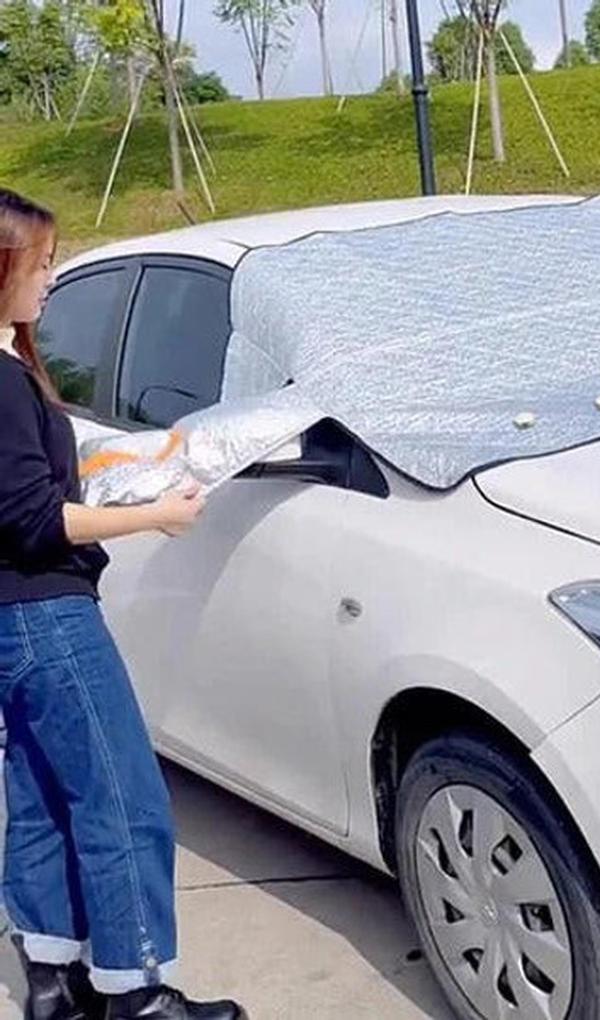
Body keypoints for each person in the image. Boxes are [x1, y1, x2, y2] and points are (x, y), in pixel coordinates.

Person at [0, 188, 246, 1020]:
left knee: (40, 798)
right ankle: (136, 992)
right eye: (40, 263)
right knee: (121, 799)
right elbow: (35, 520)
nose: (51, 277)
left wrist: (99, 479)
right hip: (48, 618)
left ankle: (52, 981)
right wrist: (158, 513)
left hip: (12, 619)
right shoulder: (1, 384)